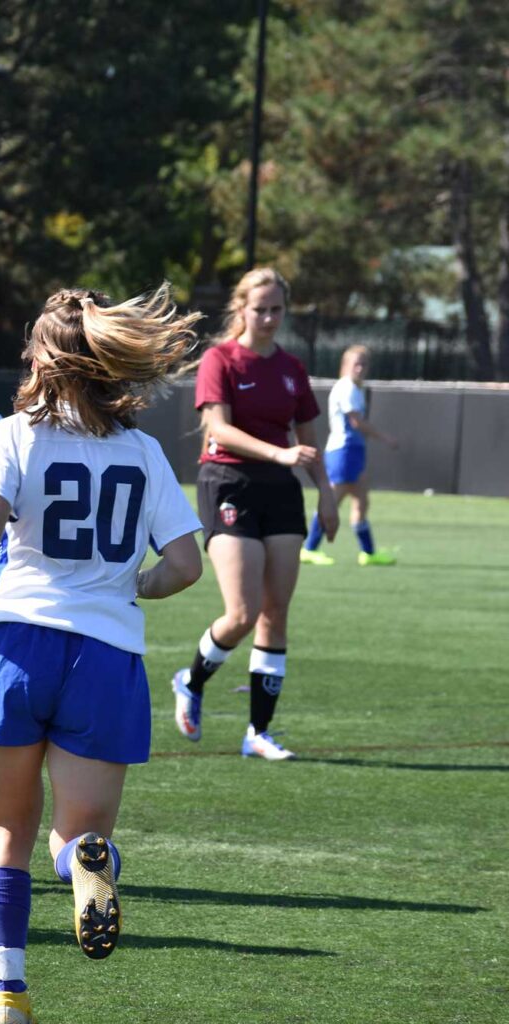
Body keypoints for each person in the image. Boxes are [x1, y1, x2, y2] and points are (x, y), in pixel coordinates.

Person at [0, 285, 203, 1024]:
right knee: (77, 835)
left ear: (40, 358)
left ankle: (8, 994)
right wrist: (129, 585)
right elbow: (186, 566)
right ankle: (87, 865)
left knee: (6, 831)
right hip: (105, 655)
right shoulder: (144, 453)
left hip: (13, 645)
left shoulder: (13, 435)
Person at [168, 267, 337, 761]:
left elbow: (308, 441)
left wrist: (325, 493)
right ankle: (191, 679)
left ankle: (258, 733)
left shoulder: (291, 368)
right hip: (228, 482)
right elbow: (218, 428)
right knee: (240, 612)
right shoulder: (220, 360)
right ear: (240, 308)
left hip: (280, 492)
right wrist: (280, 454)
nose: (267, 317)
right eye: (259, 308)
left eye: (276, 309)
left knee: (274, 613)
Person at [301, 344, 399, 566]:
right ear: (345, 366)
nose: (361, 368)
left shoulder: (355, 389)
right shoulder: (346, 388)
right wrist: (385, 438)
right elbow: (355, 422)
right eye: (356, 363)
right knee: (332, 500)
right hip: (343, 451)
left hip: (354, 451)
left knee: (362, 501)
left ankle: (368, 553)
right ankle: (308, 548)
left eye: (364, 364)